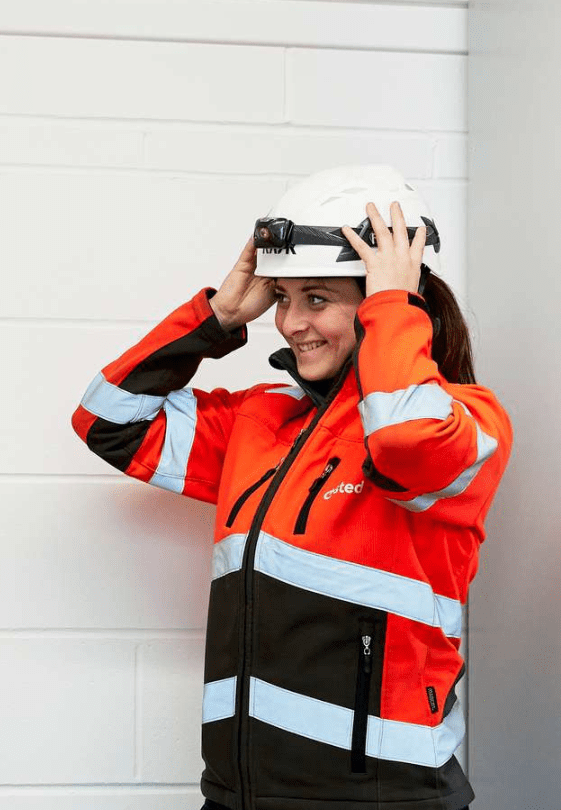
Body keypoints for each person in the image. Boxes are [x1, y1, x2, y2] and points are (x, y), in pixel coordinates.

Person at [71, 165, 512, 810]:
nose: (288, 323)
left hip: (381, 799)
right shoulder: (262, 420)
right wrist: (217, 317)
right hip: (238, 796)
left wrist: (396, 303)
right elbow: (107, 419)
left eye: (317, 298)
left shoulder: (466, 423)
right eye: (282, 297)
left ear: (386, 301)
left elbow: (403, 440)